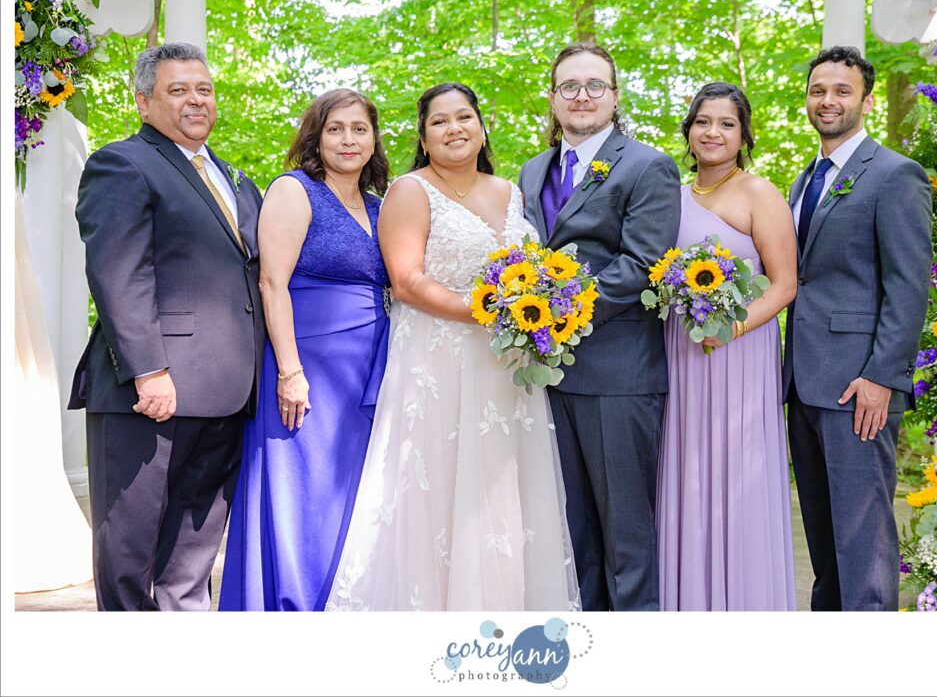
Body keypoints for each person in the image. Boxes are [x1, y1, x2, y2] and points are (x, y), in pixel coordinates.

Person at [324, 83, 579, 611]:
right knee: (437, 491)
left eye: (464, 117)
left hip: (507, 368)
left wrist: (537, 312)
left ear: (482, 128)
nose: (454, 128)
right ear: (423, 136)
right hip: (438, 364)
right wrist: (494, 311)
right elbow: (407, 280)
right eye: (439, 122)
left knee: (503, 495)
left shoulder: (511, 191)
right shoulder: (410, 192)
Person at [68, 42, 265, 611]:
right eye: (178, 90)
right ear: (143, 100)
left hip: (227, 395)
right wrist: (150, 371)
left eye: (203, 89)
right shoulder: (122, 163)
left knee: (192, 558)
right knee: (130, 554)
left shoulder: (232, 176)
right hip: (152, 392)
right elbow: (117, 272)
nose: (195, 100)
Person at [519, 43, 681, 611]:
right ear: (553, 97)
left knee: (626, 536)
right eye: (569, 86)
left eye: (594, 86)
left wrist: (555, 313)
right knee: (571, 533)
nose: (581, 96)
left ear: (614, 97)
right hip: (547, 377)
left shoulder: (647, 165)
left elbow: (640, 265)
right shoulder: (533, 169)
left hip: (618, 372)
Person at [218, 89, 391, 611]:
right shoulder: (295, 190)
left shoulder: (382, 205)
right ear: (316, 135)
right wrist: (290, 372)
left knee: (352, 494)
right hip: (307, 364)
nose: (348, 139)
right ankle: (293, 608)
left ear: (374, 138)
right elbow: (273, 283)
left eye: (360, 128)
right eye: (335, 128)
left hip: (369, 365)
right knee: (305, 495)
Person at [783, 46, 931, 611]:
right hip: (805, 382)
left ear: (866, 101)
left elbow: (908, 287)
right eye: (819, 90)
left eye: (842, 91)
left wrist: (882, 377)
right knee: (823, 541)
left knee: (862, 539)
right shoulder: (803, 181)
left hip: (859, 388)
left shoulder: (895, 175)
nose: (828, 100)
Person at [656, 83, 797, 611]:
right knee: (684, 473)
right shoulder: (670, 194)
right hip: (680, 355)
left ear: (743, 135)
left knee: (739, 477)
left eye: (726, 123)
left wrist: (729, 330)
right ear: (689, 131)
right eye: (702, 122)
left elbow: (784, 285)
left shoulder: (760, 193)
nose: (712, 132)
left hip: (738, 356)